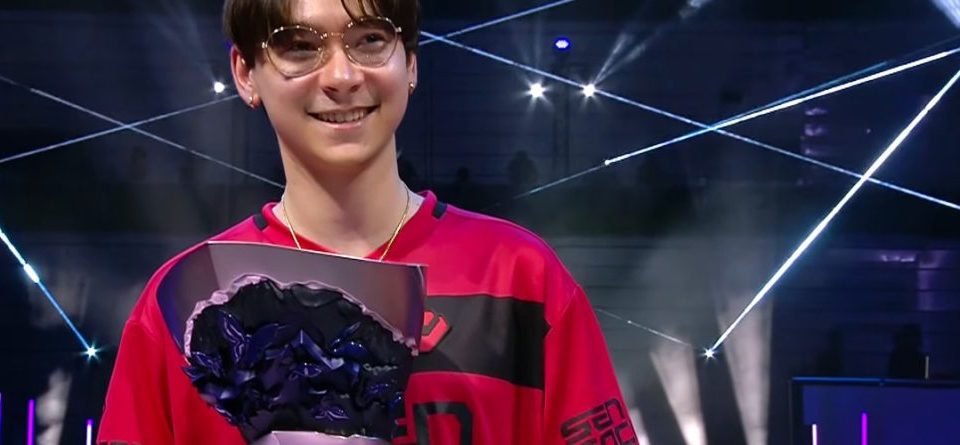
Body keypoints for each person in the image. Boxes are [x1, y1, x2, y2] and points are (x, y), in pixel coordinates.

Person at [97, 0, 635, 443]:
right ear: (245, 73)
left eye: (371, 40)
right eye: (299, 46)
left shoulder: (520, 277)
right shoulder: (187, 301)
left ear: (411, 63)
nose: (342, 76)